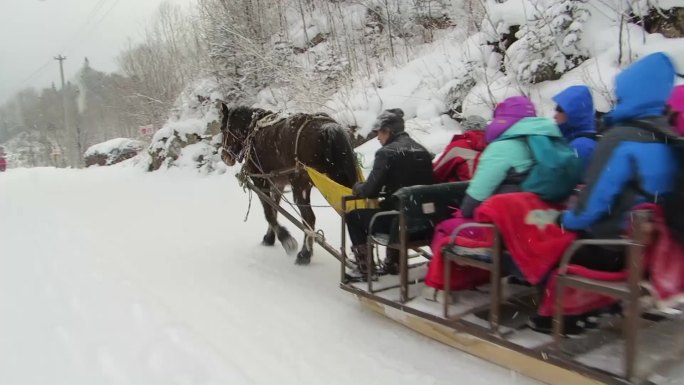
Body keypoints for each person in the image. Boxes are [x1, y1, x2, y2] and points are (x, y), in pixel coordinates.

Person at [529, 52, 679, 334]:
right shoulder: (667, 136)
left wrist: (565, 220)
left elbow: (593, 204)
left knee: (550, 241)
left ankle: (562, 317)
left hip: (613, 249)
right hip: (649, 250)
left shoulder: (620, 138)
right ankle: (603, 305)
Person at [347, 108, 435, 275]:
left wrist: (357, 187)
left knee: (353, 216)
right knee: (398, 210)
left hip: (399, 226)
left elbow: (370, 191)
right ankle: (393, 262)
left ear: (387, 131)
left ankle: (365, 268)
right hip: (424, 224)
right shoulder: (422, 151)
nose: (378, 138)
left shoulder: (386, 153)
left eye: (379, 133)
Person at [552, 85, 599, 173]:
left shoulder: (581, 147)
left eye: (559, 109)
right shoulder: (574, 140)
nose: (555, 116)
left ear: (573, 113)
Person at [432, 115, 487, 183]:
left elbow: (437, 172)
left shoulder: (458, 147)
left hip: (465, 189)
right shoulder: (494, 145)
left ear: (464, 127)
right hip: (492, 189)